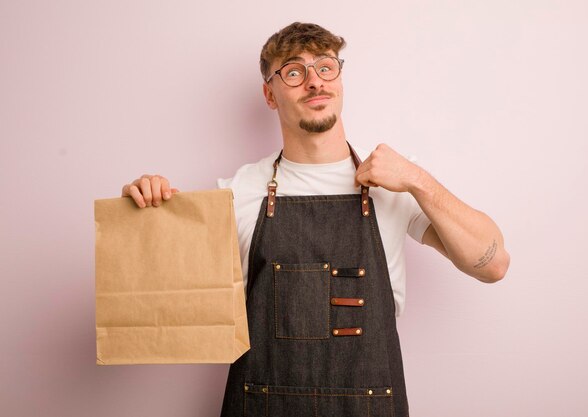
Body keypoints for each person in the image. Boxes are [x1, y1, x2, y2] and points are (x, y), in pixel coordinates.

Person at [121, 22, 509, 417]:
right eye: (293, 71)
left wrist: (417, 179)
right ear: (270, 95)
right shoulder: (237, 191)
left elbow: (492, 264)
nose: (314, 82)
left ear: (339, 80)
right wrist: (147, 212)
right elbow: (168, 305)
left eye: (326, 67)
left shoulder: (394, 182)